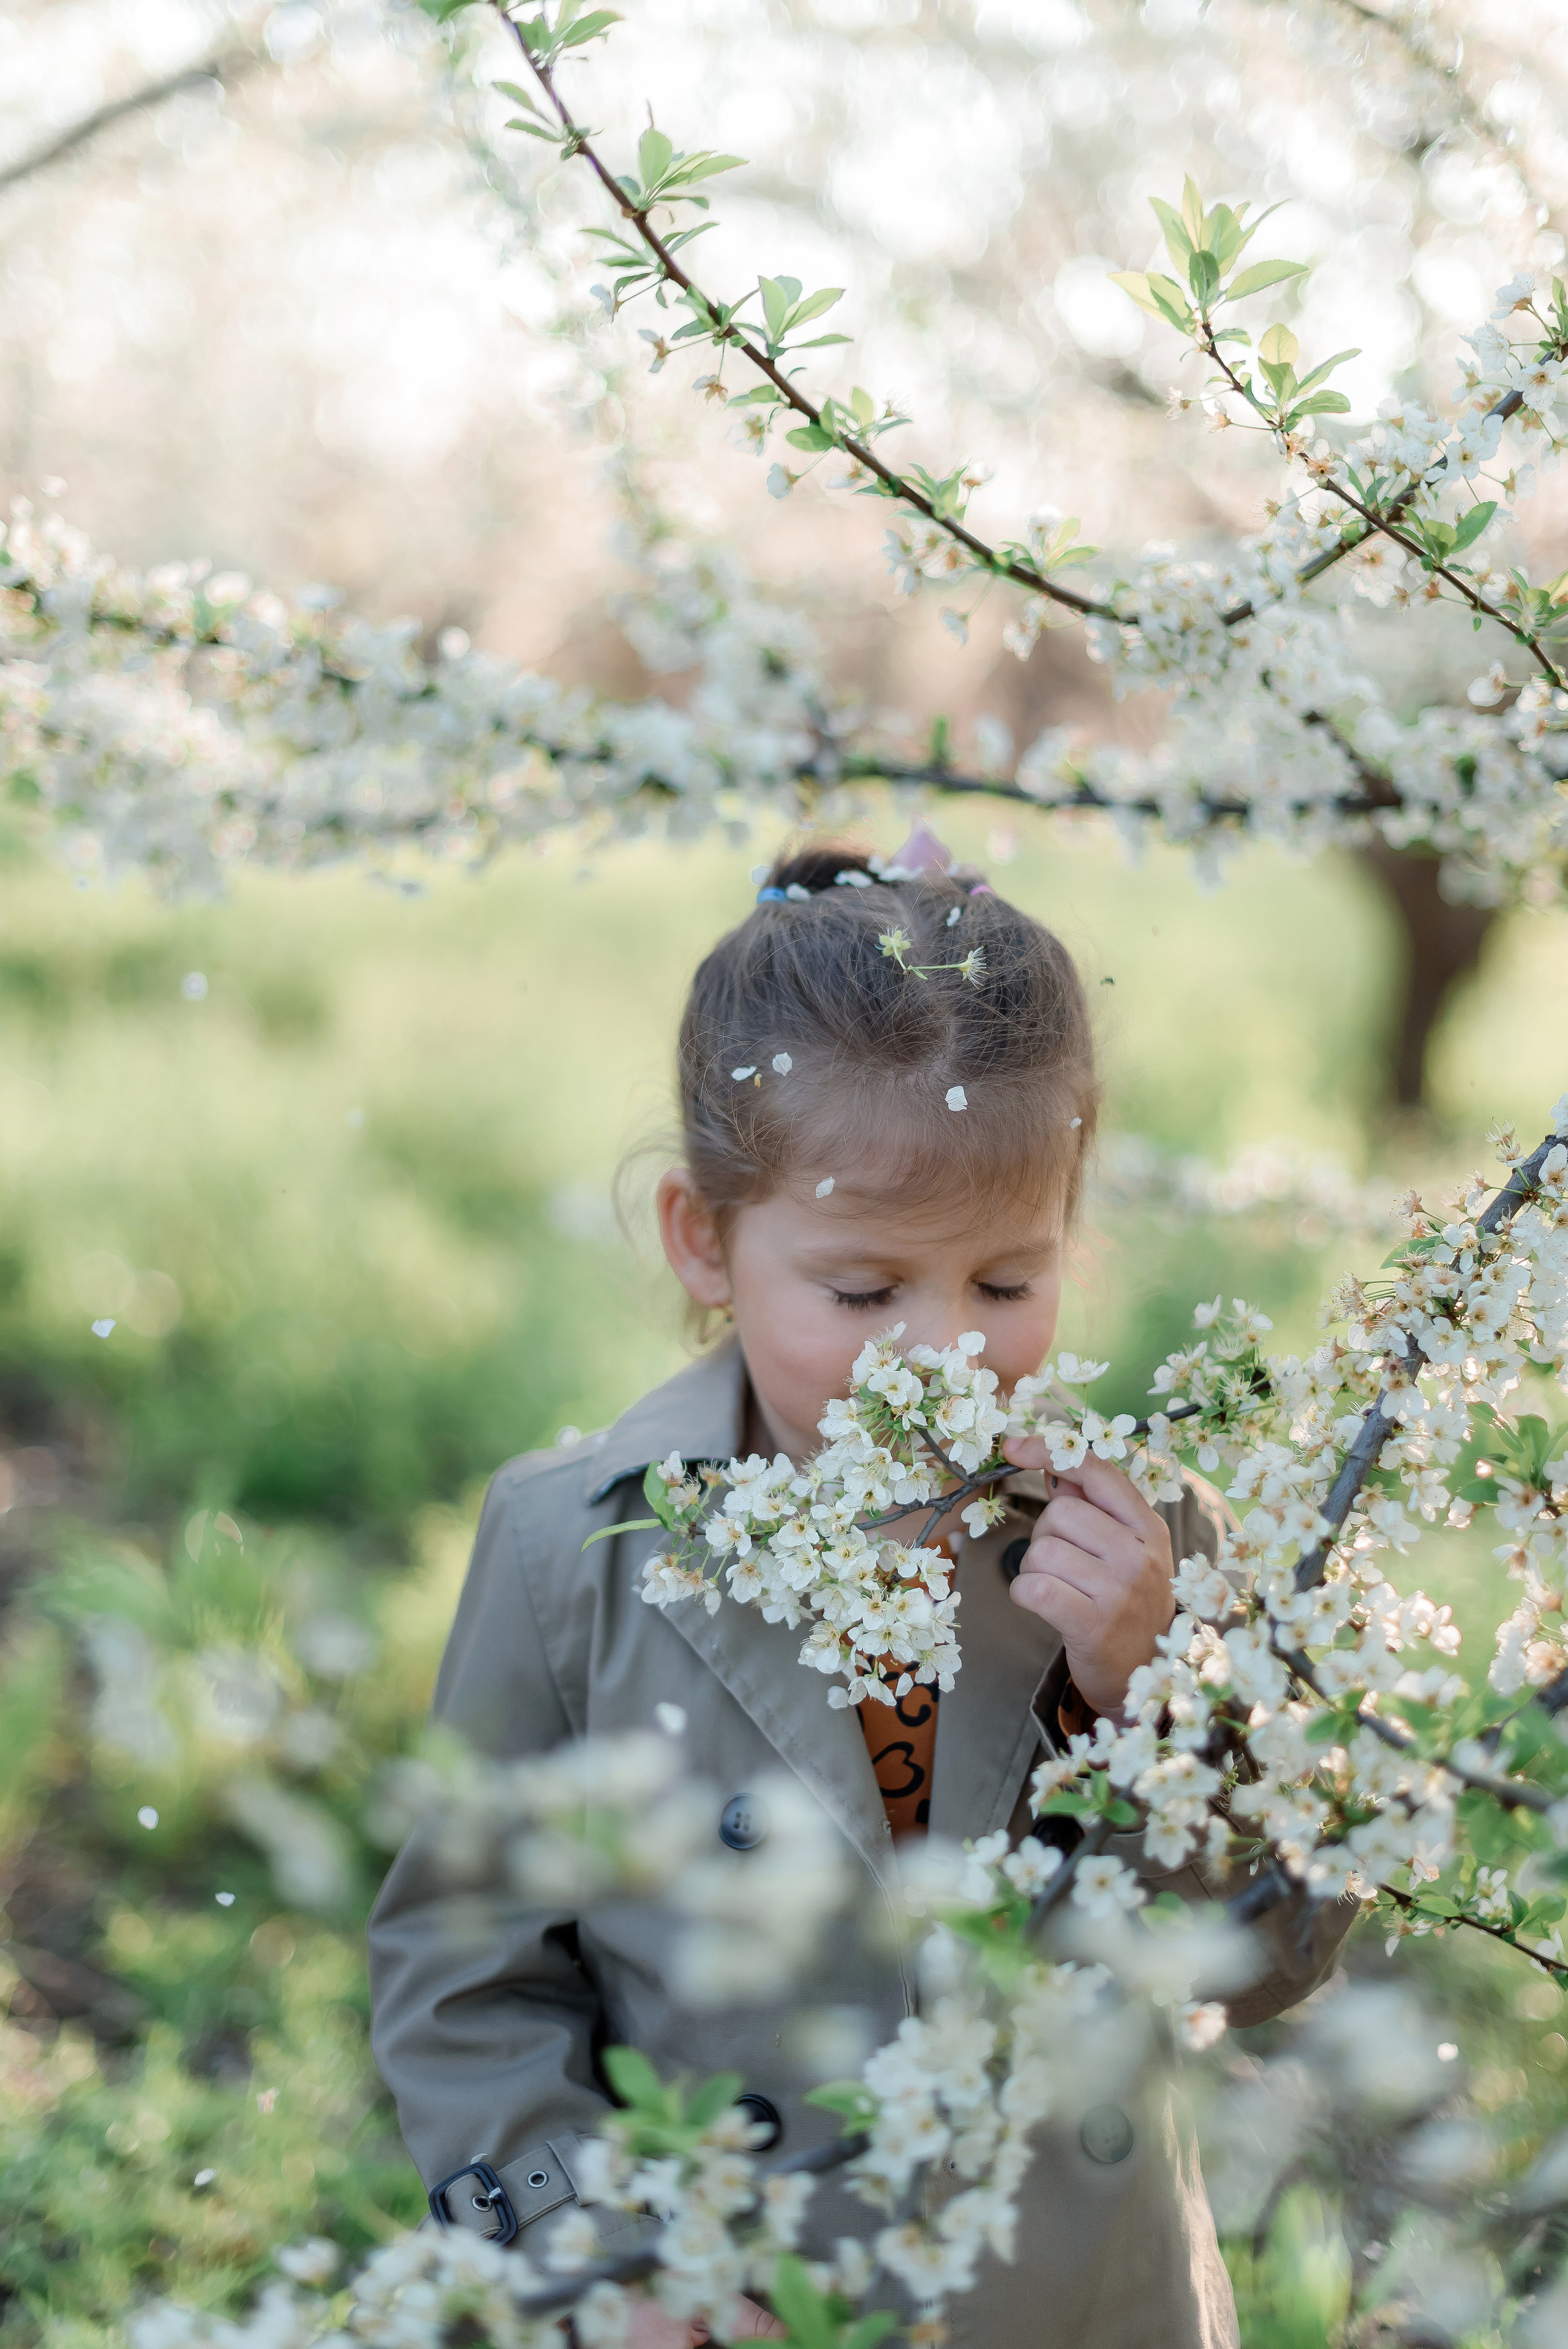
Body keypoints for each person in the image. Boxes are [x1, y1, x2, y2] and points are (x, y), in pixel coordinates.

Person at [367, 830, 1355, 2348]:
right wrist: (597, 2264)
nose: (939, 1355)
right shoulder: (572, 1549)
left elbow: (1272, 1956)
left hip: (1084, 2308)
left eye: (1004, 1284)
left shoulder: (1145, 1546)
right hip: (741, 2300)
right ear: (704, 1241)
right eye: (861, 1291)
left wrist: (1155, 1693)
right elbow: (466, 1983)